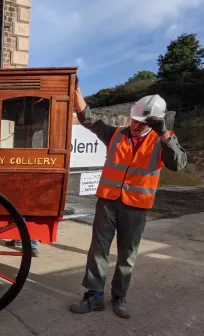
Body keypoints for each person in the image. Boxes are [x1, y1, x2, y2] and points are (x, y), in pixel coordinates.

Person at [69, 85, 187, 318]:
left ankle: (119, 296)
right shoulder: (116, 134)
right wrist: (76, 94)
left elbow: (178, 163)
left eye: (142, 122)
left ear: (155, 122)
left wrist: (164, 134)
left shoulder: (162, 141)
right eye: (134, 120)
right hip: (108, 202)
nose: (135, 125)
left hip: (136, 206)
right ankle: (94, 296)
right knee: (98, 250)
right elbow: (90, 120)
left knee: (127, 255)